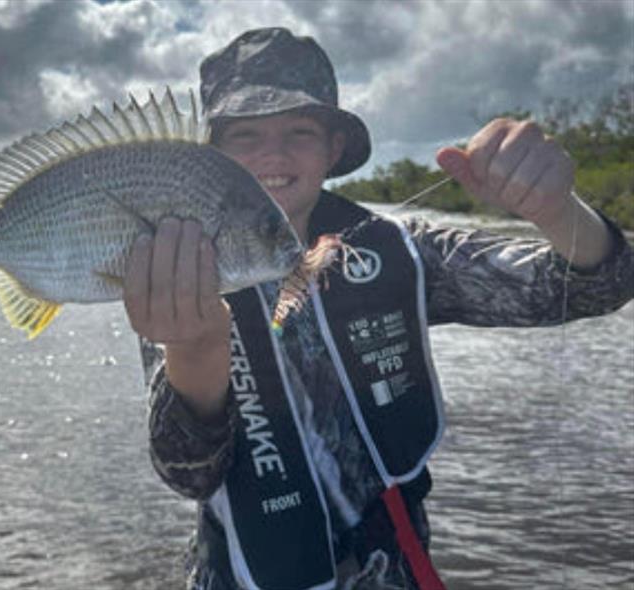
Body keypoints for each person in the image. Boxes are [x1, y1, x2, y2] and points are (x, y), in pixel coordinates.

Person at [122, 28, 634, 590]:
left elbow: (597, 285)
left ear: (333, 148)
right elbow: (187, 470)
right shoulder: (178, 266)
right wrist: (195, 351)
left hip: (395, 566)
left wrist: (558, 211)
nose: (274, 154)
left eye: (300, 131)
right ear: (213, 154)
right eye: (246, 134)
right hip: (243, 574)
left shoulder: (402, 249)